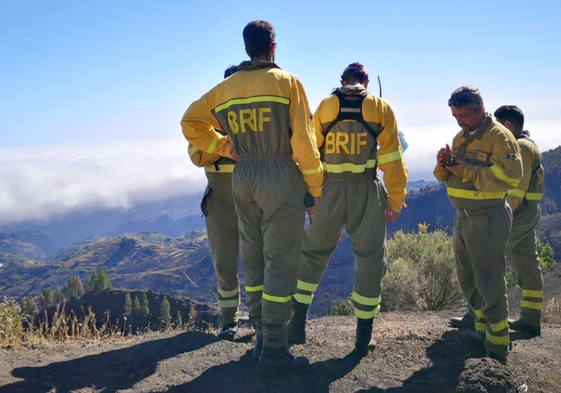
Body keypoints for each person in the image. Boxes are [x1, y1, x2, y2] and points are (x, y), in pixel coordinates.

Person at [181, 20, 323, 377]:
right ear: (273, 47)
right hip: (278, 173)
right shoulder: (287, 82)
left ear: (246, 49)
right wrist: (315, 189)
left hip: (241, 178)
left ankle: (260, 335)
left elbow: (189, 122)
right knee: (281, 260)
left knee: (254, 256)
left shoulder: (225, 88)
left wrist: (221, 145)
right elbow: (304, 144)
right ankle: (275, 347)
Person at [287, 62, 408, 357]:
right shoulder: (380, 108)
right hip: (365, 190)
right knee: (369, 258)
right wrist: (395, 201)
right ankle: (362, 337)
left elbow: (309, 149)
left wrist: (309, 191)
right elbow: (393, 159)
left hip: (328, 190)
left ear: (342, 80)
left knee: (312, 252)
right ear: (365, 81)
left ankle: (297, 325)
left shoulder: (326, 106)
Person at [434, 85, 523, 364]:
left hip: (487, 217)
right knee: (468, 277)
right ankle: (481, 331)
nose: (459, 121)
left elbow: (511, 178)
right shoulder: (462, 136)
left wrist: (467, 170)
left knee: (490, 282)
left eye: (464, 115)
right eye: (455, 116)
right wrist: (443, 164)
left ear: (480, 110)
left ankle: (497, 348)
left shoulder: (500, 138)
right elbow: (448, 177)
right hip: (464, 218)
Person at [449, 106, 546, 337]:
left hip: (515, 215)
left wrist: (497, 218)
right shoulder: (530, 144)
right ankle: (531, 320)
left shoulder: (519, 146)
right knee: (527, 264)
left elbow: (513, 190)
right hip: (528, 214)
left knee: (484, 264)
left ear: (509, 126)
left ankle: (478, 316)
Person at [187, 65, 242, 341]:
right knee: (224, 261)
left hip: (253, 193)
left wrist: (218, 147)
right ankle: (228, 320)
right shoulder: (207, 120)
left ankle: (262, 318)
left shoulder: (252, 116)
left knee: (263, 260)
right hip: (219, 199)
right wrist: (226, 143)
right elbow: (196, 156)